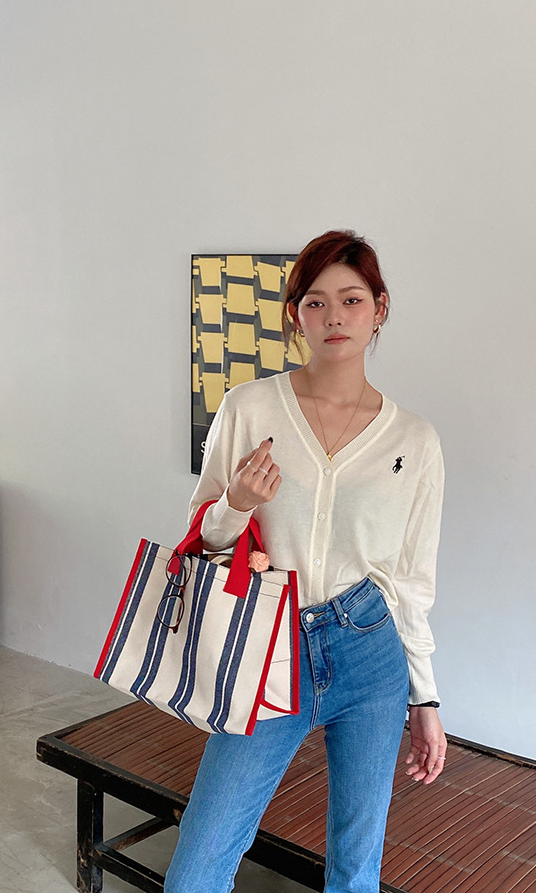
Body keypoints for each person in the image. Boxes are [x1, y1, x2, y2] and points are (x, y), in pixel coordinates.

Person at [165, 230, 446, 893]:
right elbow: (201, 538)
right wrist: (236, 503)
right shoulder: (249, 407)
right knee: (199, 865)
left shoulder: (415, 440)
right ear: (296, 315)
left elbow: (411, 580)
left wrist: (425, 696)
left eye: (351, 299)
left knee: (355, 869)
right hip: (269, 644)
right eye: (315, 302)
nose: (333, 317)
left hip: (369, 647)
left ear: (379, 309)